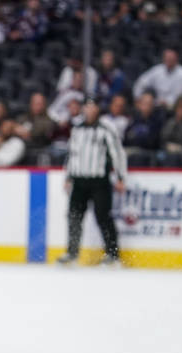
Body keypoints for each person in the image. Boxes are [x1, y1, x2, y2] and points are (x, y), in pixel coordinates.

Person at [56, 98, 127, 266]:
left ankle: (113, 254)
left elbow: (117, 153)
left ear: (97, 109)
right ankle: (72, 253)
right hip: (79, 180)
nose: (89, 109)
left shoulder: (106, 128)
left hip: (99, 180)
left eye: (92, 106)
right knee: (74, 216)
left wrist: (120, 177)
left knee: (103, 216)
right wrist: (68, 177)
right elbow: (71, 155)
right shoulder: (77, 129)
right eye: (86, 106)